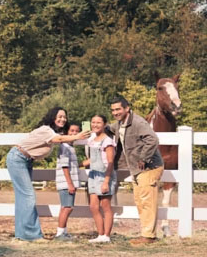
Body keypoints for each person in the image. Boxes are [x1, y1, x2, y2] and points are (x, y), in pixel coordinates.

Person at [7, 107, 90, 241]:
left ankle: (23, 234)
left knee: (23, 198)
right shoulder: (46, 130)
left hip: (26, 160)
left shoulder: (50, 131)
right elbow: (60, 139)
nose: (63, 119)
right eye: (60, 116)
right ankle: (32, 235)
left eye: (64, 117)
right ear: (53, 117)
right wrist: (77, 136)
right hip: (18, 158)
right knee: (29, 196)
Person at [108, 96, 164, 245]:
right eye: (113, 110)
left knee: (147, 201)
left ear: (127, 108)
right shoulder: (120, 124)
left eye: (118, 109)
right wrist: (93, 127)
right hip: (138, 170)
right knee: (140, 201)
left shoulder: (138, 122)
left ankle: (149, 236)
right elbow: (109, 129)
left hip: (149, 167)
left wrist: (143, 158)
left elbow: (152, 140)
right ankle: (146, 233)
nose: (115, 112)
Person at [81, 115, 117, 243]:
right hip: (93, 175)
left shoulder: (108, 141)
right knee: (93, 207)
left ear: (105, 124)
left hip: (104, 175)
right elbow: (93, 159)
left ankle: (106, 236)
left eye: (98, 122)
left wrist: (106, 181)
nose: (95, 125)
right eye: (93, 122)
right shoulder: (92, 140)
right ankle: (100, 234)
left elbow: (110, 162)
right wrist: (79, 164)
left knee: (105, 206)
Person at [53, 123, 81, 240]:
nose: (74, 134)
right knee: (67, 207)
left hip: (68, 182)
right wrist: (70, 183)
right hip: (66, 182)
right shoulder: (64, 146)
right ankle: (60, 234)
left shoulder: (70, 147)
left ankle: (63, 231)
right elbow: (65, 167)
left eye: (76, 131)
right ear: (66, 133)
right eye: (71, 131)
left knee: (65, 207)